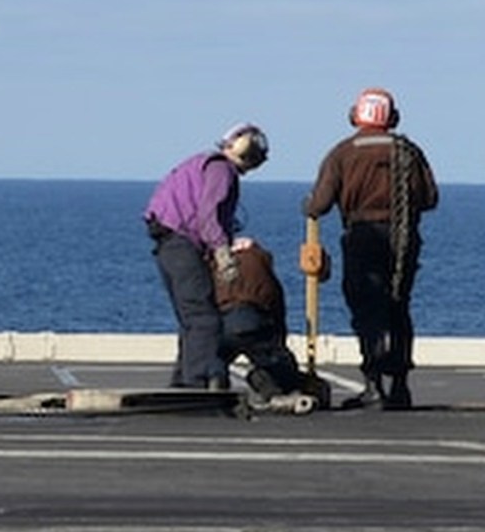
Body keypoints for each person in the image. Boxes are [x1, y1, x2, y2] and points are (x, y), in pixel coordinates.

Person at [301, 86, 440, 410]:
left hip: (362, 235)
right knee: (398, 306)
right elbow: (430, 199)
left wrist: (307, 206)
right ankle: (401, 385)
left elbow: (319, 204)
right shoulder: (409, 151)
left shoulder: (342, 153)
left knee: (367, 309)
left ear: (355, 116)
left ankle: (373, 383)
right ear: (392, 117)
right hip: (404, 236)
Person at [144, 124, 269, 390]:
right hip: (181, 242)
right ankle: (196, 384)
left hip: (168, 241)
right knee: (204, 319)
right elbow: (208, 215)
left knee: (190, 319)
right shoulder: (221, 170)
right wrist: (222, 252)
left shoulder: (202, 163)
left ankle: (182, 382)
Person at [213, 235, 320, 405]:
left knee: (216, 356)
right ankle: (277, 390)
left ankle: (215, 384)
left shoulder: (220, 265)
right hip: (254, 323)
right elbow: (277, 310)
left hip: (226, 323)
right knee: (273, 362)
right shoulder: (263, 269)